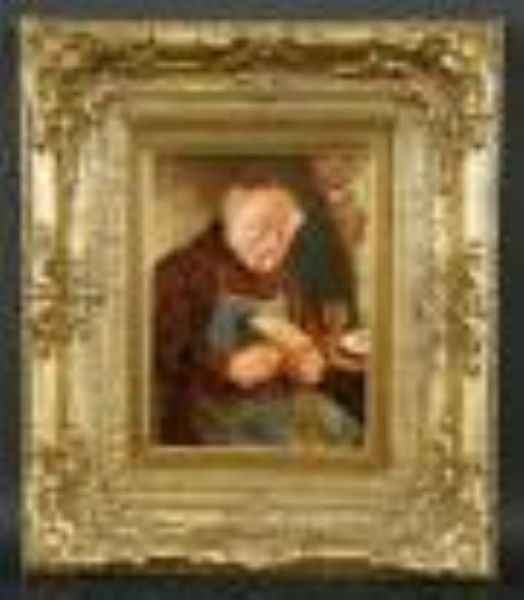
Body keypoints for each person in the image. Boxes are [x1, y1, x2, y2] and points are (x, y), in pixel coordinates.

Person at [153, 171, 363, 446]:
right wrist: (224, 368)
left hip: (278, 412)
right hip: (206, 423)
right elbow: (156, 358)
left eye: (284, 234)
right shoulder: (181, 271)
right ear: (229, 224)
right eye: (260, 230)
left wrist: (307, 364)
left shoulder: (284, 278)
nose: (274, 245)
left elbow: (301, 338)